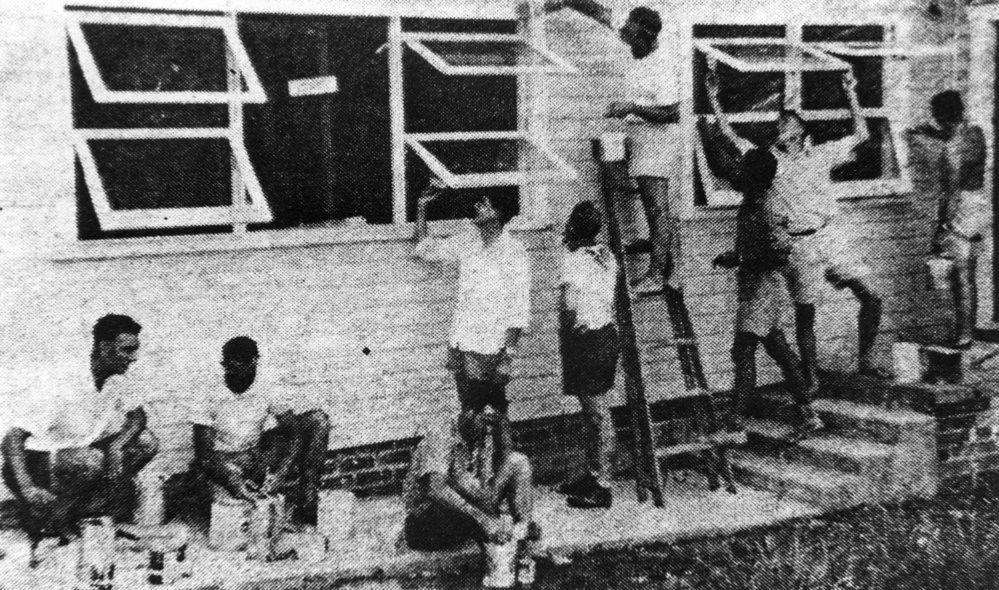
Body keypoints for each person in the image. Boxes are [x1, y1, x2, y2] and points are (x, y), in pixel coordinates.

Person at [706, 64, 885, 385]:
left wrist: (851, 92)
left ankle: (867, 360)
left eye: (788, 120)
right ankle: (811, 378)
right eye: (779, 121)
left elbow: (862, 134)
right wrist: (713, 99)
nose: (781, 123)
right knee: (806, 316)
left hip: (830, 236)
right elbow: (730, 137)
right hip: (798, 245)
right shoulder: (768, 160)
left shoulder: (821, 154)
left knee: (872, 297)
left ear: (803, 130)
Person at [545, 0, 682, 293]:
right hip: (636, 132)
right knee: (646, 202)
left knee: (656, 207)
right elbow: (598, 12)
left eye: (632, 38)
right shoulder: (630, 33)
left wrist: (632, 107)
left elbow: (673, 113)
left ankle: (658, 275)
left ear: (648, 37)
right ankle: (661, 251)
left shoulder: (663, 66)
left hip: (656, 137)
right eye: (626, 33)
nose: (626, 40)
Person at [1, 314, 158, 547]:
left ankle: (77, 513)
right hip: (34, 465)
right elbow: (11, 440)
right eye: (127, 350)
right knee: (91, 460)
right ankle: (54, 518)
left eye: (135, 350)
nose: (134, 358)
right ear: (105, 348)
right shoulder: (65, 382)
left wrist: (117, 445)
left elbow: (138, 417)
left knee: (146, 442)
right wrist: (28, 488)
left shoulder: (117, 379)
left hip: (76, 458)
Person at [713, 148, 820, 434]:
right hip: (754, 288)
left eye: (744, 168)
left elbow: (780, 254)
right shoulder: (752, 200)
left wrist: (744, 259)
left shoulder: (768, 209)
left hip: (764, 290)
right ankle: (809, 413)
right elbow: (727, 165)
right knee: (780, 350)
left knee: (743, 351)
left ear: (754, 176)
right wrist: (735, 257)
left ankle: (735, 421)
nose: (739, 172)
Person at [413, 179, 531, 415]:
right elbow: (425, 249)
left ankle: (501, 452)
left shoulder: (514, 252)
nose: (477, 207)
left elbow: (519, 308)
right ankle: (478, 451)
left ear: (498, 214)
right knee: (468, 409)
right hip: (462, 339)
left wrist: (508, 356)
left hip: (491, 345)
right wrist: (421, 206)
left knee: (493, 410)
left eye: (484, 204)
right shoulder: (468, 241)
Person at [192, 336, 331, 524]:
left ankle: (306, 503)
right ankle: (236, 493)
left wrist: (281, 472)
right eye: (230, 369)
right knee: (231, 516)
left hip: (254, 455)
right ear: (223, 364)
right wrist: (231, 478)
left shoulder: (267, 384)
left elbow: (294, 432)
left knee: (317, 421)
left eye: (241, 370)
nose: (235, 377)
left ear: (254, 362)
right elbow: (204, 455)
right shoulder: (207, 390)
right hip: (222, 462)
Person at [403, 405, 540, 583]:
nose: (488, 427)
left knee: (518, 462)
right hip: (428, 524)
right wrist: (484, 519)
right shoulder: (441, 435)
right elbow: (435, 489)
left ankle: (522, 550)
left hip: (459, 515)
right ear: (468, 412)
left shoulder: (480, 436)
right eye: (484, 420)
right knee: (492, 521)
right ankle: (499, 572)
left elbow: (482, 491)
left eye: (493, 422)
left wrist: (487, 453)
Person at [907, 91, 988, 348]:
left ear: (941, 116)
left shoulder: (952, 147)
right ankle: (968, 332)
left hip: (961, 207)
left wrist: (943, 227)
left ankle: (963, 336)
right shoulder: (975, 133)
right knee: (969, 274)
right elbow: (954, 139)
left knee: (958, 276)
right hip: (978, 203)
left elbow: (951, 192)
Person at [555, 201, 620, 509]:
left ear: (573, 228)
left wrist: (569, 332)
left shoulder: (573, 260)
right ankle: (593, 474)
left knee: (597, 414)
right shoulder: (607, 255)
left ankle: (603, 486)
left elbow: (568, 305)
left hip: (587, 339)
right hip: (605, 335)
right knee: (591, 414)